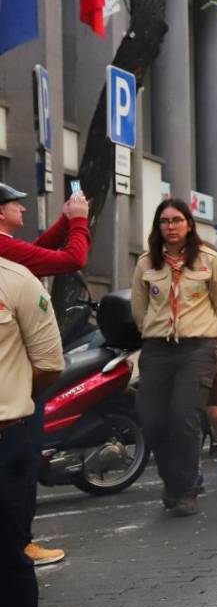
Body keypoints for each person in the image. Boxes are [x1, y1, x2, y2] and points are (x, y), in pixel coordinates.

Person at [0, 183, 87, 568]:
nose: (22, 207)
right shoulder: (6, 257)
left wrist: (67, 220)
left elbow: (39, 250)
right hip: (14, 395)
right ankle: (20, 547)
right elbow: (70, 259)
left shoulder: (8, 252)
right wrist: (79, 222)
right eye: (15, 203)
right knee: (20, 471)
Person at [132, 200, 217, 516]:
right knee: (153, 420)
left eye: (177, 220)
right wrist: (152, 332)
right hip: (158, 348)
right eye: (164, 221)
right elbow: (139, 308)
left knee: (183, 417)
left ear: (189, 224)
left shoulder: (208, 260)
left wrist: (212, 336)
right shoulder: (147, 263)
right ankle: (172, 481)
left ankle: (187, 487)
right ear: (157, 226)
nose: (171, 226)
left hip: (198, 348)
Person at [0, 257, 63, 607]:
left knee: (8, 556)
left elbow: (49, 364)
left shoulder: (18, 281)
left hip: (6, 441)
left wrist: (14, 400)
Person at [0, 183, 90, 279]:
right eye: (16, 204)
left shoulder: (5, 247)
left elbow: (32, 256)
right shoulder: (3, 245)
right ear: (1, 212)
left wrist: (66, 220)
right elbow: (73, 260)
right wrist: (79, 220)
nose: (23, 209)